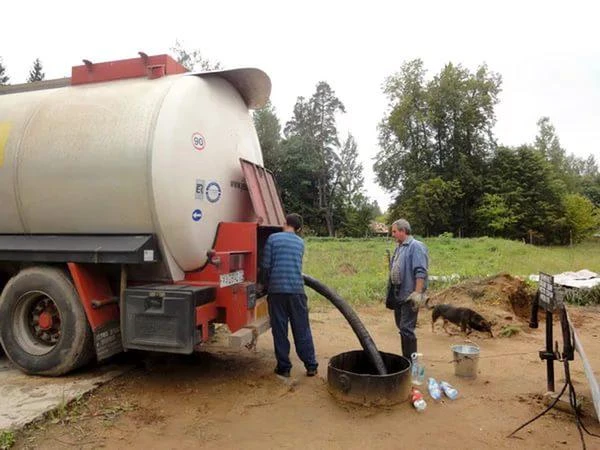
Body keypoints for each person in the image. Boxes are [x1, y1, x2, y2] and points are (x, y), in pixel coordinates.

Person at [261, 213, 318, 378]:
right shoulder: (301, 243)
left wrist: (264, 285)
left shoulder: (273, 239)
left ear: (284, 223)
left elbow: (265, 265)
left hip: (277, 291)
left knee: (280, 330)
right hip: (297, 291)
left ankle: (284, 368)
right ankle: (311, 366)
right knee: (302, 329)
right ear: (299, 229)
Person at [385, 218, 429, 359]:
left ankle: (410, 361)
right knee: (402, 327)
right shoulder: (399, 247)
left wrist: (417, 293)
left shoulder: (416, 246)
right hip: (398, 293)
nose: (392, 234)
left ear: (403, 231)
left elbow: (420, 271)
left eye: (394, 231)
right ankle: (407, 359)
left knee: (406, 329)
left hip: (409, 295)